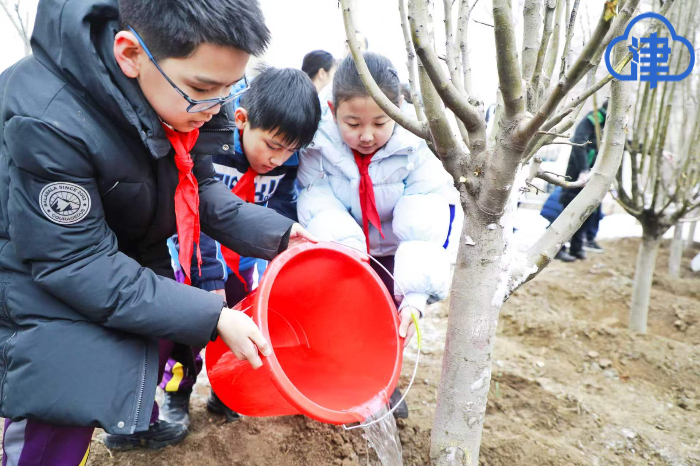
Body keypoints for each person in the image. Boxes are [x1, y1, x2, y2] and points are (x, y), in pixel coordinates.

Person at [0, 0, 316, 461]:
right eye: (203, 88)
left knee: (132, 359)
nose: (217, 107)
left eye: (230, 89)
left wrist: (283, 236)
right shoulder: (49, 119)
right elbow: (75, 262)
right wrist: (213, 316)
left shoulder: (181, 103)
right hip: (39, 280)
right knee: (58, 403)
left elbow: (198, 188)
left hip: (112, 264)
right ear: (130, 54)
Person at [297, 52, 463, 419]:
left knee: (389, 319)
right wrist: (348, 255)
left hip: (394, 252)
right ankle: (331, 381)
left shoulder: (417, 145)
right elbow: (318, 201)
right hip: (342, 248)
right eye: (352, 123)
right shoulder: (317, 143)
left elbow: (423, 213)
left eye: (380, 122)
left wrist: (416, 292)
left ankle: (381, 381)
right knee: (339, 314)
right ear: (333, 110)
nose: (367, 135)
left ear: (398, 110)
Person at [158, 66, 321, 428]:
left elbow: (281, 210)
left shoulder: (286, 164)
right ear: (243, 120)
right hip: (195, 259)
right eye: (273, 146)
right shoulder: (212, 148)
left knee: (244, 327)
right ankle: (176, 394)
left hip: (244, 265)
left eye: (290, 151)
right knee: (187, 331)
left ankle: (225, 391)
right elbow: (195, 213)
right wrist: (208, 279)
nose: (277, 159)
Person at [559, 101, 608, 260]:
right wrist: (583, 170)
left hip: (593, 177)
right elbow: (579, 142)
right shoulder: (593, 119)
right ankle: (557, 248)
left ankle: (576, 248)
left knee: (585, 212)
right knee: (568, 211)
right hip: (577, 174)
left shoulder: (610, 125)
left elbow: (625, 145)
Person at [541, 187, 604, 262]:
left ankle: (574, 250)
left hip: (578, 200)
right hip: (565, 203)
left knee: (576, 226)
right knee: (563, 227)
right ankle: (557, 251)